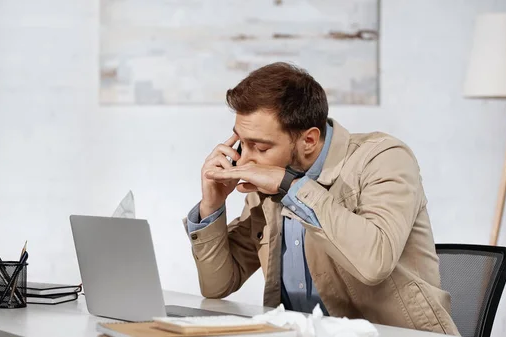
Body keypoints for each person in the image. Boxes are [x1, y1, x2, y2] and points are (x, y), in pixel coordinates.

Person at [182, 62, 460, 335]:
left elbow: (375, 262)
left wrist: (291, 188)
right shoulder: (264, 189)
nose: (245, 159)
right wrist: (213, 205)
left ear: (309, 140)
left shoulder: (385, 158)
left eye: (261, 147)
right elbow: (217, 286)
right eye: (242, 143)